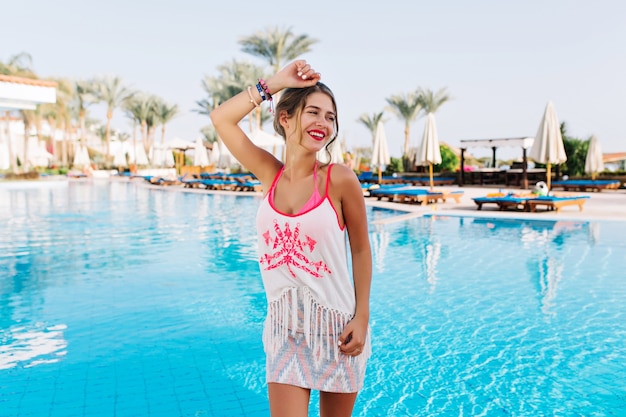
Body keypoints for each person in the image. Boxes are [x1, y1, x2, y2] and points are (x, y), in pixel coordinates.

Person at [210, 60, 372, 417]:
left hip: (337, 329)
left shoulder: (339, 179)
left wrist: (362, 318)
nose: (323, 123)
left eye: (330, 117)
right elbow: (221, 118)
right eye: (313, 112)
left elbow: (360, 249)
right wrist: (278, 82)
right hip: (284, 330)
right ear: (286, 117)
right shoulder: (270, 175)